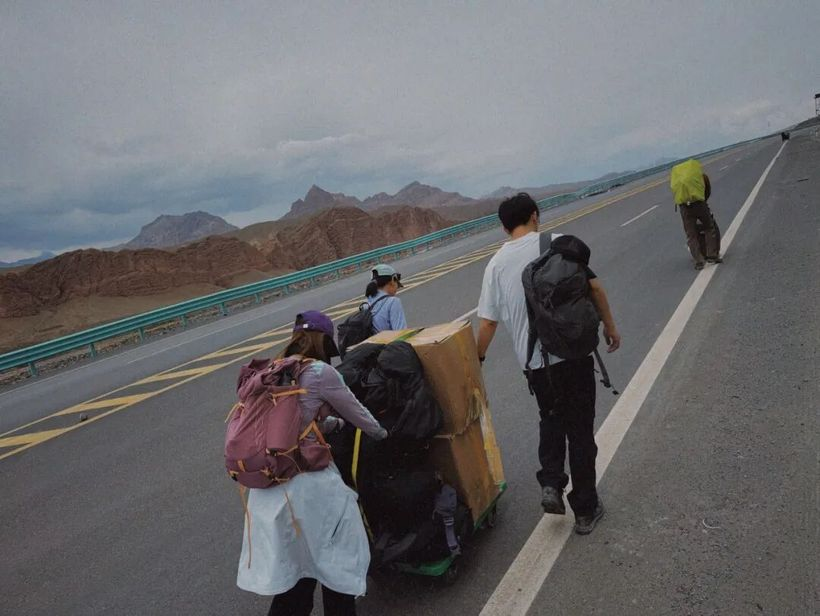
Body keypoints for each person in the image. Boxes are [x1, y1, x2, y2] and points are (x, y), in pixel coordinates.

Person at [476, 193, 621, 535]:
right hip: (574, 356)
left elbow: (487, 324)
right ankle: (585, 511)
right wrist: (610, 328)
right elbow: (595, 289)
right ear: (535, 216)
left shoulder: (495, 265)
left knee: (551, 419)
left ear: (503, 227)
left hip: (537, 366)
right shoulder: (558, 243)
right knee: (581, 431)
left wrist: (476, 360)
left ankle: (552, 483)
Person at [235, 310, 388, 616]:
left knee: (297, 576)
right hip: (308, 488)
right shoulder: (319, 373)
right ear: (324, 342)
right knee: (337, 564)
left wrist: (329, 424)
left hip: (267, 490)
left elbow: (292, 421)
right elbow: (358, 414)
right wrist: (382, 433)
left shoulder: (271, 372)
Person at [670, 158, 722, 270]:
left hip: (684, 207)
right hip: (699, 204)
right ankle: (712, 255)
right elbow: (707, 193)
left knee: (691, 234)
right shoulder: (701, 178)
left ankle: (699, 261)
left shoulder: (679, 183)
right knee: (709, 227)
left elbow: (676, 196)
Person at [364, 264, 408, 332]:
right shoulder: (393, 302)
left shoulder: (366, 304)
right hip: (387, 342)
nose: (397, 288)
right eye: (397, 285)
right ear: (393, 281)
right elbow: (401, 332)